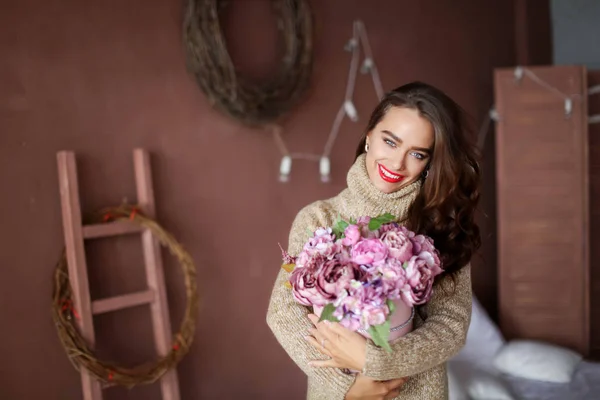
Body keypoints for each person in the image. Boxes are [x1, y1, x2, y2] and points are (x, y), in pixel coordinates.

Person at [266, 81, 481, 400]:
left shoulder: (439, 225)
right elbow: (283, 312)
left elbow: (451, 326)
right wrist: (347, 387)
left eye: (417, 153)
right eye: (390, 142)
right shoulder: (318, 218)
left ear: (430, 161)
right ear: (369, 136)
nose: (397, 164)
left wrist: (375, 361)